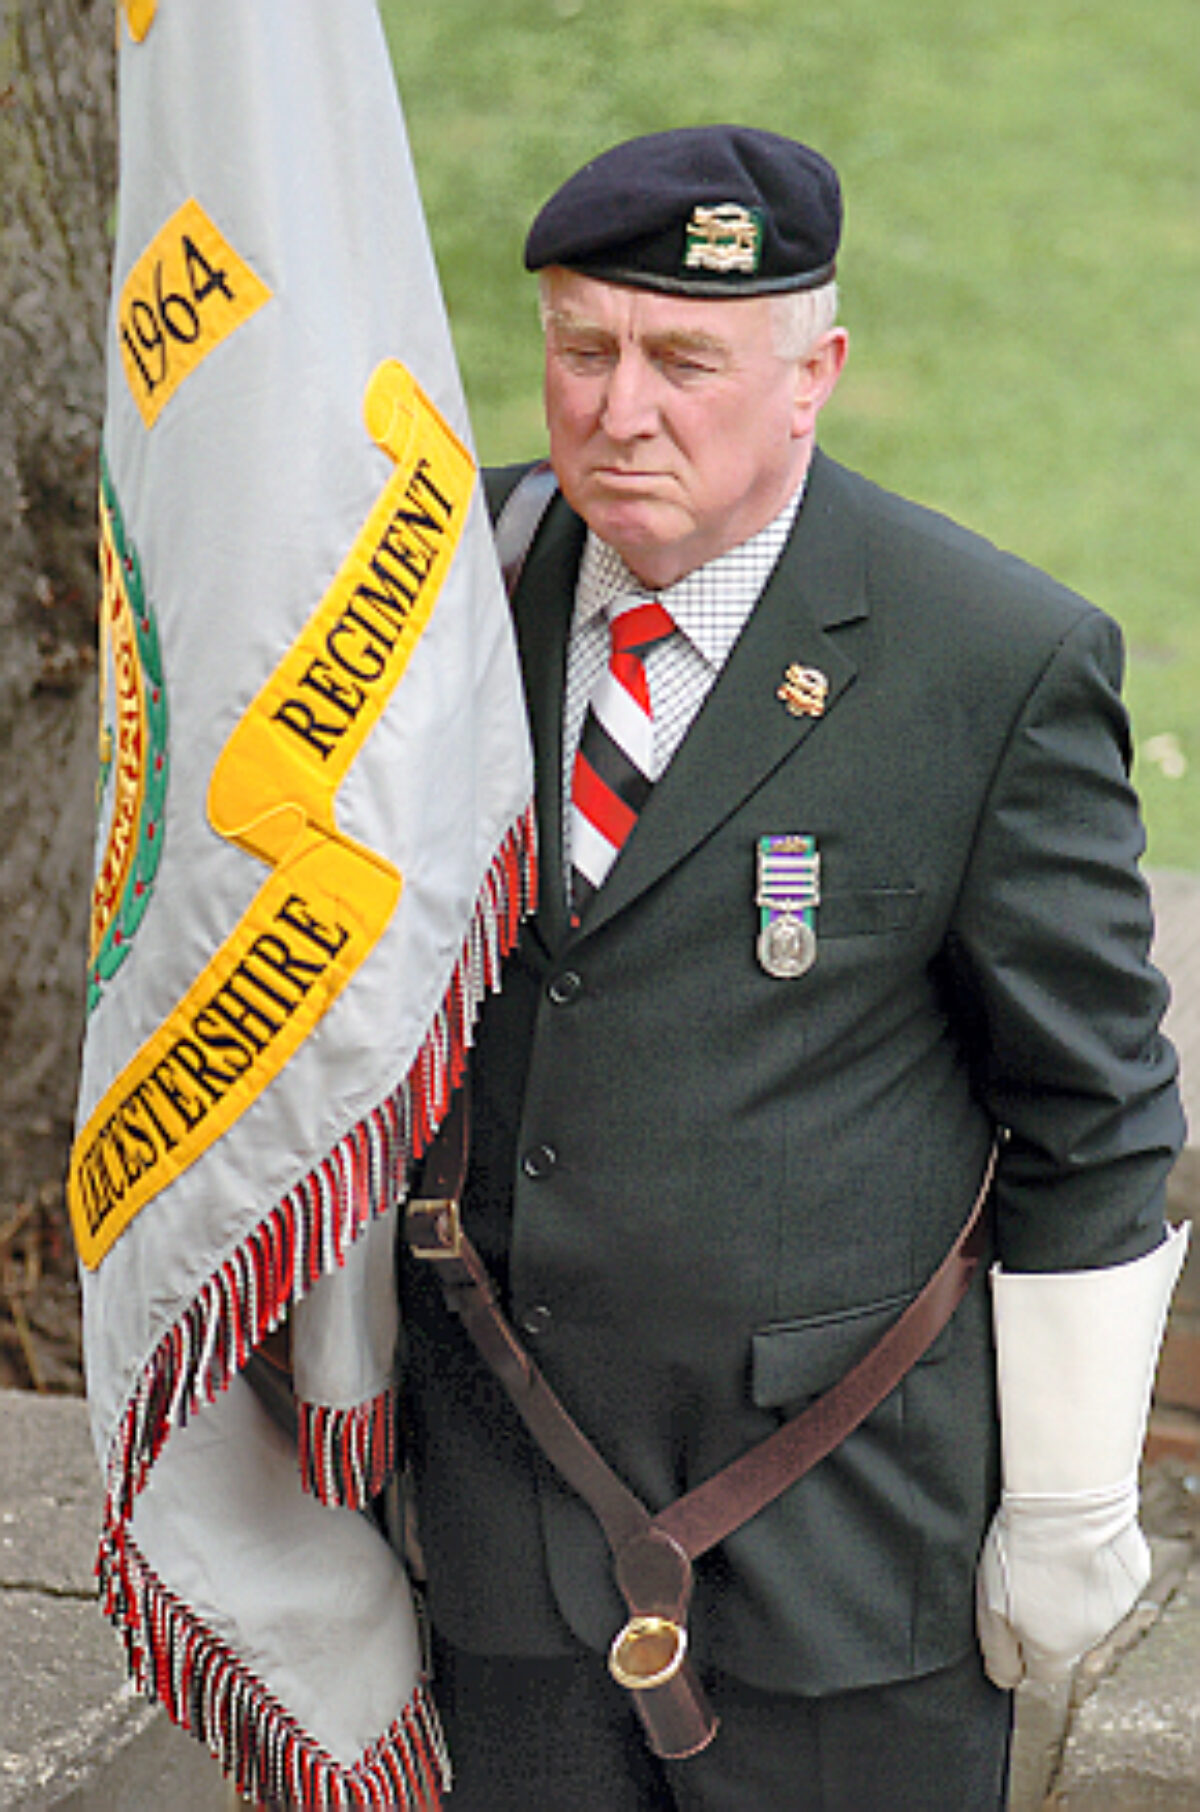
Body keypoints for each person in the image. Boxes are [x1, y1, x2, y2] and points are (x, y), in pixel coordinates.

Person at [396, 125, 1188, 1810]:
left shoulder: (991, 660)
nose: (622, 407)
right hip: (506, 1514)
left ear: (815, 372)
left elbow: (1094, 1111)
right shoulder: (443, 595)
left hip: (837, 1555)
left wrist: (1065, 1508)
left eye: (686, 359)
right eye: (583, 348)